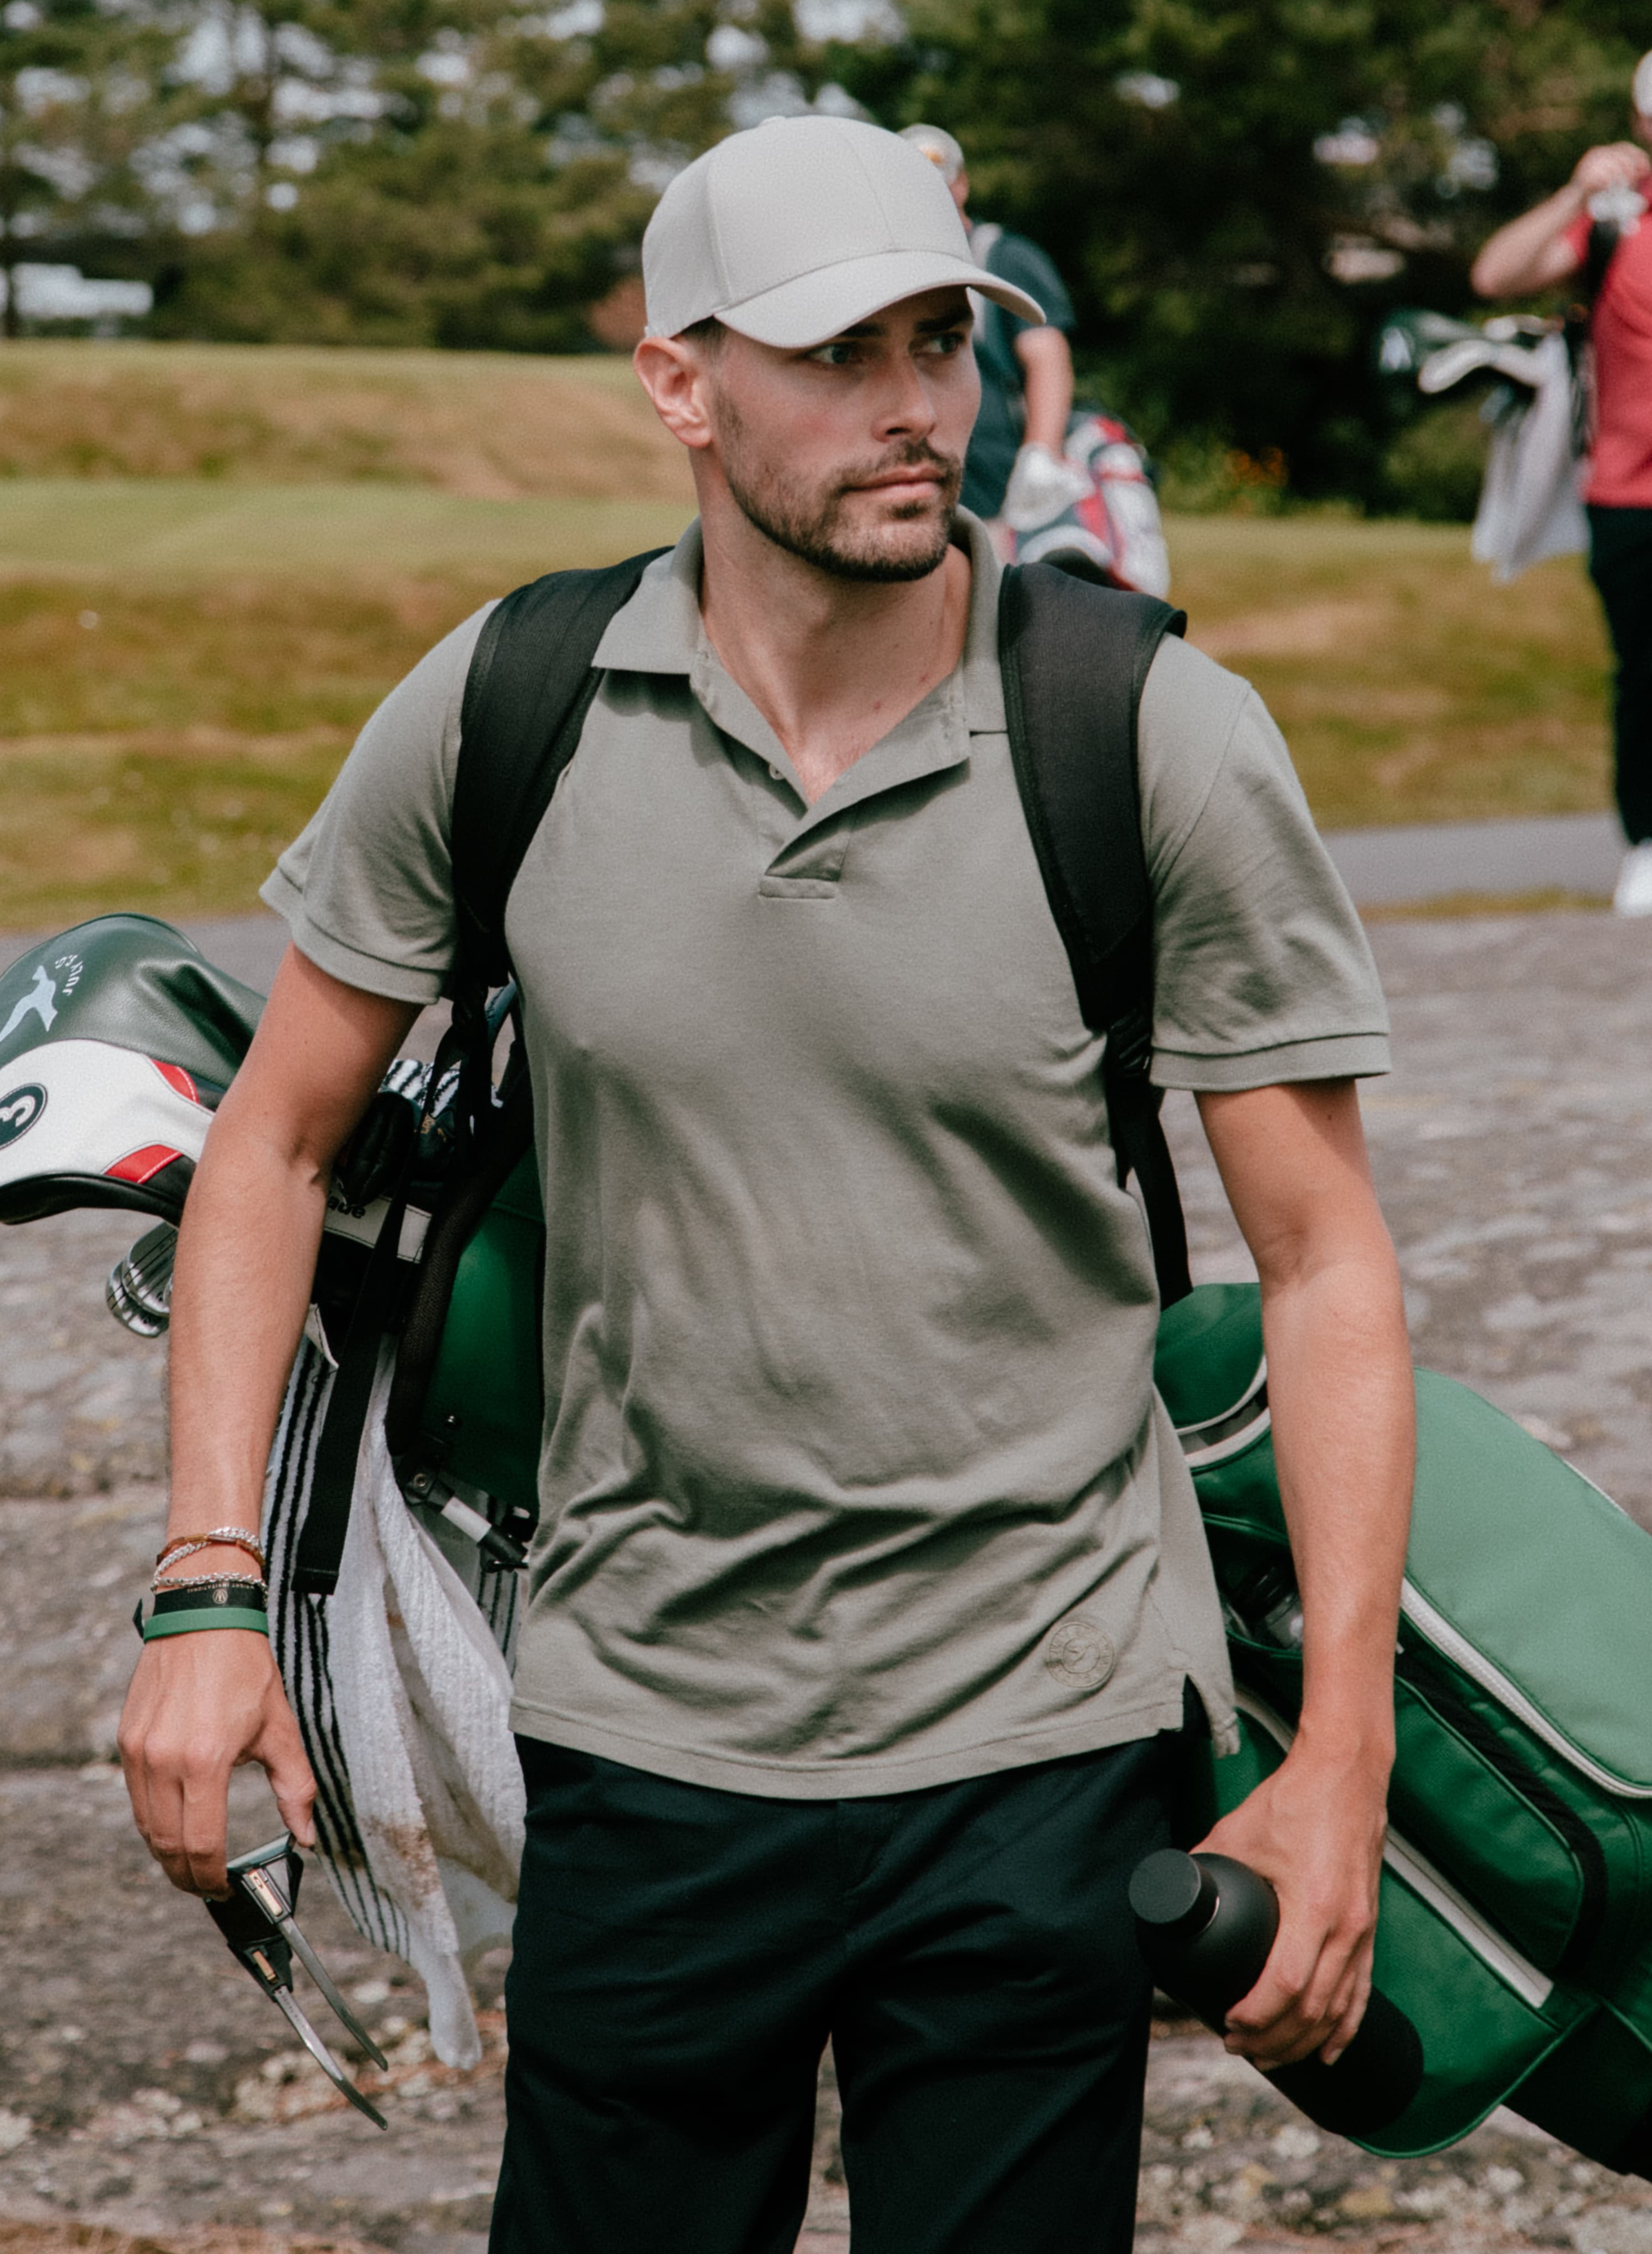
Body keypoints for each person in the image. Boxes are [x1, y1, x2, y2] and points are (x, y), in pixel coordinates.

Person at [119, 113, 1413, 2253]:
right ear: (681, 382)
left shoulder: (1147, 729)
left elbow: (1324, 1259)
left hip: (1044, 1734)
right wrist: (203, 1587)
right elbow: (270, 1139)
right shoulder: (509, 704)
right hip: (646, 1725)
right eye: (842, 353)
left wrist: (1338, 1750)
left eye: (945, 338)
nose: (919, 406)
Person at [1471, 53, 1652, 918]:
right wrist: (1575, 193)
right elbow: (1496, 276)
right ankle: (1647, 844)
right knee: (1644, 674)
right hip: (1627, 492)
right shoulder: (1612, 222)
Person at [898, 123, 1077, 533]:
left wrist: (1041, 454)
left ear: (961, 184)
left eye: (939, 183)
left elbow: (1047, 358)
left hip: (999, 484)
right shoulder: (890, 270)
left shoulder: (1005, 257)